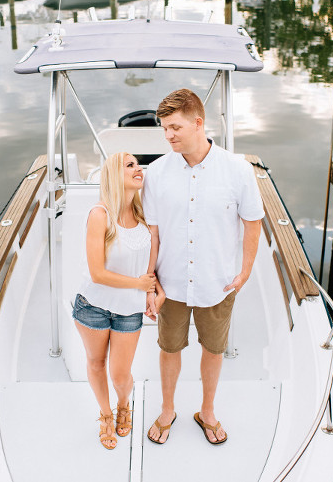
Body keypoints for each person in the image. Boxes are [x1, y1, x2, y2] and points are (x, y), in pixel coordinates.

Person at [142, 88, 264, 445]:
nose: (168, 135)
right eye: (164, 128)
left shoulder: (238, 171)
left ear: (199, 123)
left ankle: (206, 411)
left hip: (218, 283)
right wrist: (150, 283)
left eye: (175, 127)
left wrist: (245, 271)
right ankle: (168, 409)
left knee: (213, 349)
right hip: (172, 283)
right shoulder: (157, 173)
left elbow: (252, 222)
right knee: (169, 349)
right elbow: (154, 233)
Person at [72, 151, 158, 450]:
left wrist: (150, 291)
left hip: (129, 311)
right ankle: (106, 415)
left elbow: (152, 264)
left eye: (138, 164)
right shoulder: (100, 214)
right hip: (93, 306)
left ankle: (123, 404)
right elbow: (97, 273)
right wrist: (139, 284)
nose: (138, 169)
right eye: (130, 165)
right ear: (113, 175)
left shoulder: (146, 215)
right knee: (96, 364)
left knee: (121, 374)